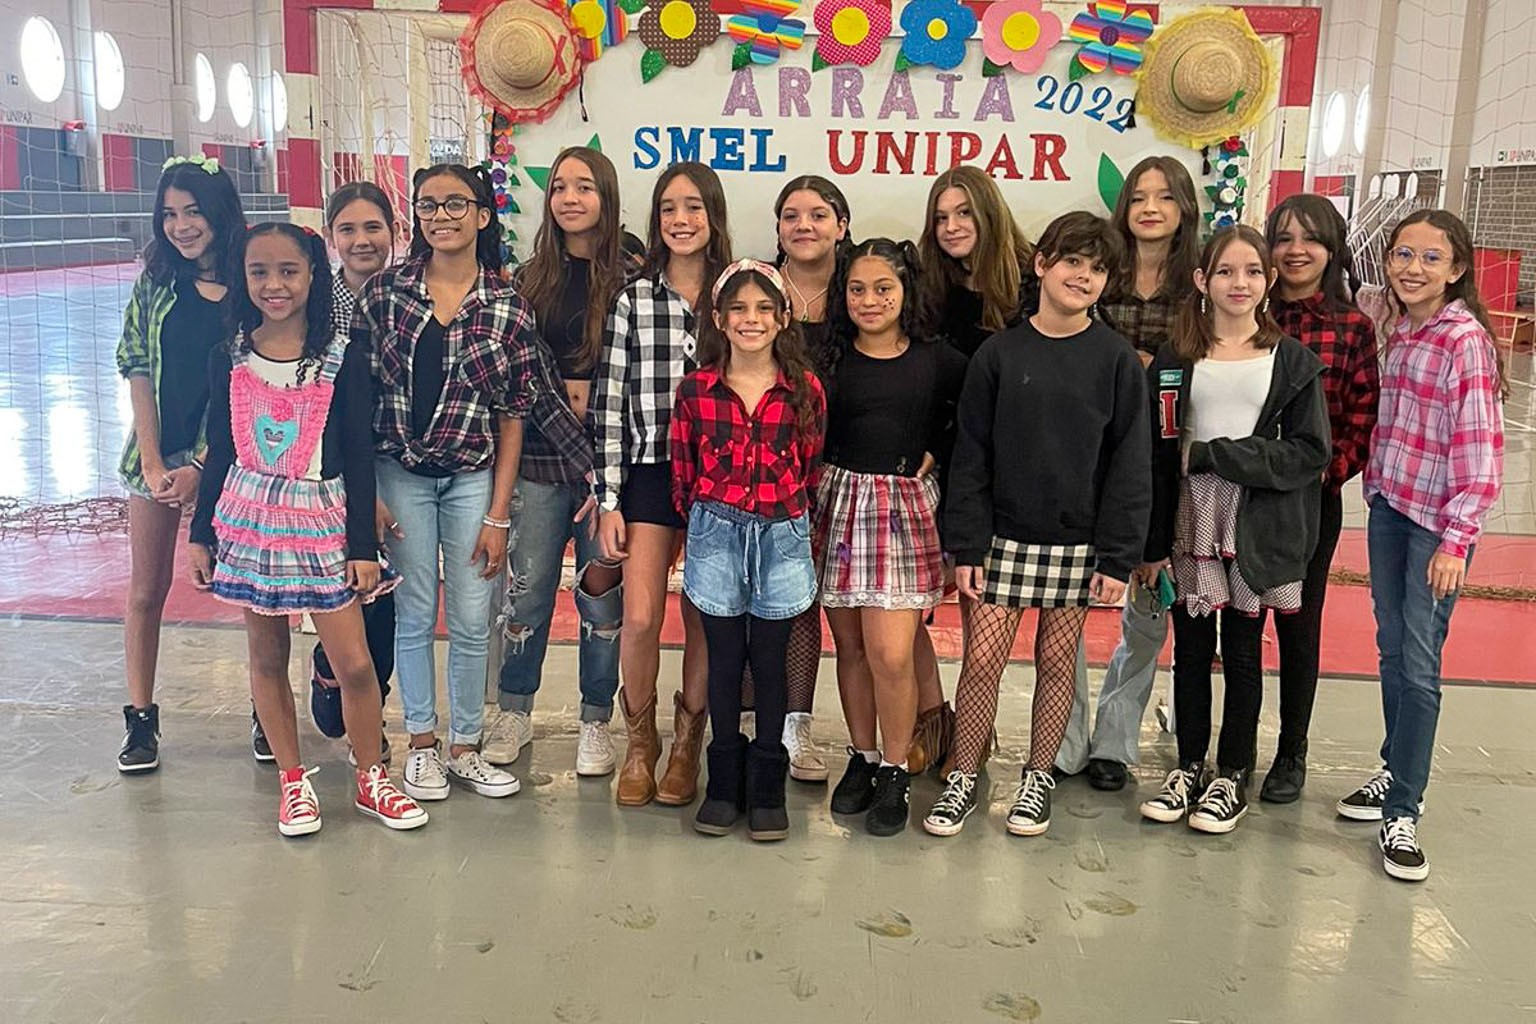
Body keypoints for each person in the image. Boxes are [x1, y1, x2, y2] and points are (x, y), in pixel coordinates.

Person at [357, 164, 591, 804]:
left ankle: (464, 747)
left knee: (469, 615)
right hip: (398, 474)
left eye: (456, 204)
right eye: (428, 205)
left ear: (483, 216)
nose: (442, 216)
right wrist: (367, 492)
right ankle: (421, 745)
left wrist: (498, 512)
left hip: (470, 478)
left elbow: (515, 413)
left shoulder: (507, 305)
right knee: (413, 612)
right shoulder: (386, 294)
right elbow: (359, 400)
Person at [188, 223, 427, 835]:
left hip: (322, 518)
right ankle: (293, 782)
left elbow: (358, 453)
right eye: (259, 271)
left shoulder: (340, 358)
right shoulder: (229, 356)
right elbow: (221, 450)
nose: (275, 284)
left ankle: (371, 777)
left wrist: (362, 546)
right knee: (267, 658)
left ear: (313, 275)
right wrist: (200, 534)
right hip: (250, 520)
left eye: (288, 270)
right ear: (243, 278)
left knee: (355, 663)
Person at [924, 212, 1148, 838]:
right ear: (1042, 264)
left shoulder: (1116, 361)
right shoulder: (998, 354)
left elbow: (1130, 464)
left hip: (1079, 543)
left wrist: (1117, 557)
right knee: (981, 663)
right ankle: (963, 775)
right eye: (1072, 261)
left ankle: (1038, 776)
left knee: (1057, 666)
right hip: (999, 539)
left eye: (1097, 268)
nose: (1083, 276)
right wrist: (967, 544)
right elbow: (971, 454)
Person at [1136, 225, 1329, 835]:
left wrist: (1217, 455)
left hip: (1255, 521)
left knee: (1243, 649)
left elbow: (1309, 452)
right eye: (1224, 271)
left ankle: (1233, 773)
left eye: (1250, 271)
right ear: (1202, 280)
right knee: (1190, 649)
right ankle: (1189, 765)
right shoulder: (1175, 359)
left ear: (1268, 280)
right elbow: (1158, 453)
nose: (1237, 282)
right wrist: (1150, 544)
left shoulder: (1291, 362)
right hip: (1190, 518)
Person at [1335, 209, 1503, 882]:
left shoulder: (1463, 340)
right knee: (1391, 648)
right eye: (1403, 254)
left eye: (1432, 258)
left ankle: (1405, 807)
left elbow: (1481, 449)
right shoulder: (1395, 324)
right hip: (1390, 509)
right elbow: (1344, 289)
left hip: (1436, 526)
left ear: (1457, 269)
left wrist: (1456, 541)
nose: (1413, 268)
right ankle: (1394, 766)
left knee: (1419, 663)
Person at [1056, 155, 1201, 790]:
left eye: (1164, 197)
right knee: (1064, 610)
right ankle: (1063, 740)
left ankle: (1115, 742)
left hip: (1166, 463)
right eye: (1138, 196)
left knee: (1146, 610)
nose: (1149, 208)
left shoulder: (1198, 286)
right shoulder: (1098, 273)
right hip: (1088, 457)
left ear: (1183, 209)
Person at [816, 239, 967, 836]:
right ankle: (863, 755)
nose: (870, 300)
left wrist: (940, 451)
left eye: (884, 288)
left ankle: (897, 768)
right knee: (850, 647)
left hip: (902, 509)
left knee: (892, 653)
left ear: (907, 292)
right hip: (837, 504)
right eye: (857, 289)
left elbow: (974, 419)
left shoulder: (938, 360)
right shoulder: (828, 357)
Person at [592, 162, 731, 807]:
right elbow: (610, 404)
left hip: (720, 477)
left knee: (703, 617)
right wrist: (609, 499)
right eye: (669, 208)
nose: (681, 219)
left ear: (714, 215)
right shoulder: (634, 300)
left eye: (694, 206)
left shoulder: (735, 296)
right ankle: (641, 742)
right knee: (643, 615)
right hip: (649, 472)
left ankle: (686, 744)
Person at [671, 259, 824, 840]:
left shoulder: (804, 390)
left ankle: (767, 786)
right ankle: (723, 783)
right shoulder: (696, 390)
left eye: (764, 308)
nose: (751, 319)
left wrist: (789, 517)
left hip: (783, 532)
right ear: (719, 318)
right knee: (725, 658)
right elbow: (683, 469)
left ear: (783, 318)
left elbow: (810, 467)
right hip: (716, 530)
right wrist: (704, 521)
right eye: (738, 308)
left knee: (770, 659)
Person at [485, 145, 623, 776]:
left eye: (584, 186)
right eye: (560, 187)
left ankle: (596, 719)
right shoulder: (527, 279)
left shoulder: (632, 276)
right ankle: (515, 709)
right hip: (540, 457)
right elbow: (517, 378)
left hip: (608, 461)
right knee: (528, 592)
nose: (570, 197)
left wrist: (605, 472)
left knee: (602, 596)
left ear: (606, 196)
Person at [115, 154, 246, 773]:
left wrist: (202, 464)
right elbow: (137, 365)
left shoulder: (249, 284)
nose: (181, 226)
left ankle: (266, 711)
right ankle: (140, 719)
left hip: (233, 461)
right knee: (146, 590)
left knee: (254, 592)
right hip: (158, 457)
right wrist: (151, 461)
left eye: (193, 211)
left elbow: (250, 383)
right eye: (169, 214)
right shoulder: (156, 282)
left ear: (219, 212)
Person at [1260, 194, 1380, 803]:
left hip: (1309, 500)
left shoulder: (1352, 327)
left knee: (1298, 624)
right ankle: (1227, 749)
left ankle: (1292, 751)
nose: (1295, 250)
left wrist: (1322, 475)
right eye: (1283, 238)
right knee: (1233, 623)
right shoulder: (1248, 312)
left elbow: (1362, 416)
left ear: (1332, 250)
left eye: (1310, 239)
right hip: (1236, 492)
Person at [764, 174, 852, 782]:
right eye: (791, 215)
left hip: (848, 474)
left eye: (818, 214)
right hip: (770, 474)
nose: (804, 226)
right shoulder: (758, 290)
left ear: (841, 226)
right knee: (762, 601)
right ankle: (757, 722)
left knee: (810, 606)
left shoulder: (862, 289)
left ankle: (798, 725)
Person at [310, 181, 400, 763]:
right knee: (335, 591)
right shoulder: (316, 304)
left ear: (394, 232)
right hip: (336, 468)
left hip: (396, 461)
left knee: (385, 599)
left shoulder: (408, 294)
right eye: (348, 229)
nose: (362, 240)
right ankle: (327, 672)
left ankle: (371, 709)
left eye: (373, 227)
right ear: (331, 237)